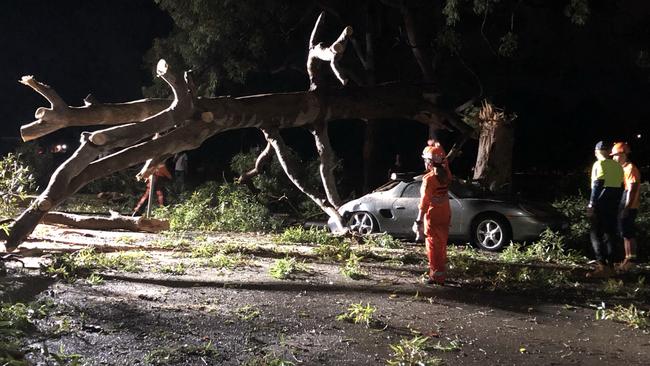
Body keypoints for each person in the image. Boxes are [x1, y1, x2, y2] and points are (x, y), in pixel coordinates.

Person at [413, 139, 451, 285]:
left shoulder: (429, 180)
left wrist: (418, 221)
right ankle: (440, 273)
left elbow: (424, 203)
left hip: (433, 217)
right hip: (445, 215)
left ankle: (436, 276)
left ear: (429, 162)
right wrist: (439, 147)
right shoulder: (446, 175)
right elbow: (445, 161)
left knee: (433, 247)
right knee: (441, 246)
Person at [586, 141, 624, 278]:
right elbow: (621, 187)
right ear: (608, 152)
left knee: (595, 233)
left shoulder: (599, 164)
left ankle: (602, 265)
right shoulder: (618, 166)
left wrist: (591, 205)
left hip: (601, 203)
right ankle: (611, 266)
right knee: (610, 234)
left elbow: (597, 185)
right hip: (614, 203)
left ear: (596, 152)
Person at [611, 142, 641, 272]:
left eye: (615, 155)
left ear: (622, 154)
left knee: (628, 233)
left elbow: (632, 190)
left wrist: (626, 208)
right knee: (624, 233)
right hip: (626, 204)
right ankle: (626, 260)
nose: (613, 158)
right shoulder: (623, 168)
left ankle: (631, 262)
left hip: (630, 206)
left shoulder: (630, 169)